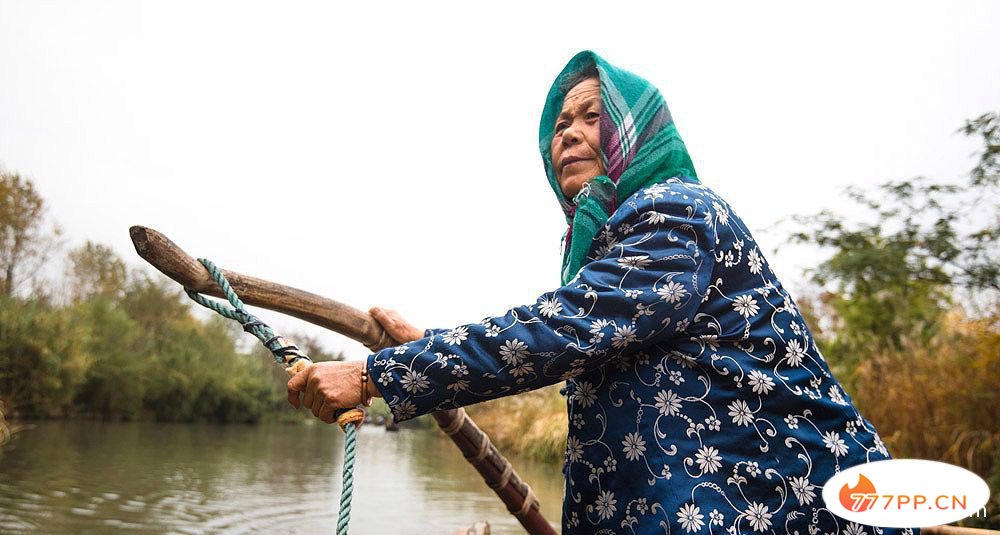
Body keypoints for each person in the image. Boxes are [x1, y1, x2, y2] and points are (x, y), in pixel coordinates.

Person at [288, 50, 918, 535]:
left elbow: (562, 330)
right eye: (561, 123)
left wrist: (379, 376)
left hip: (786, 505)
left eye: (593, 116)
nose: (567, 133)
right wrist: (430, 348)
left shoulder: (676, 211)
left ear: (635, 132)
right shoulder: (609, 247)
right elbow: (576, 331)